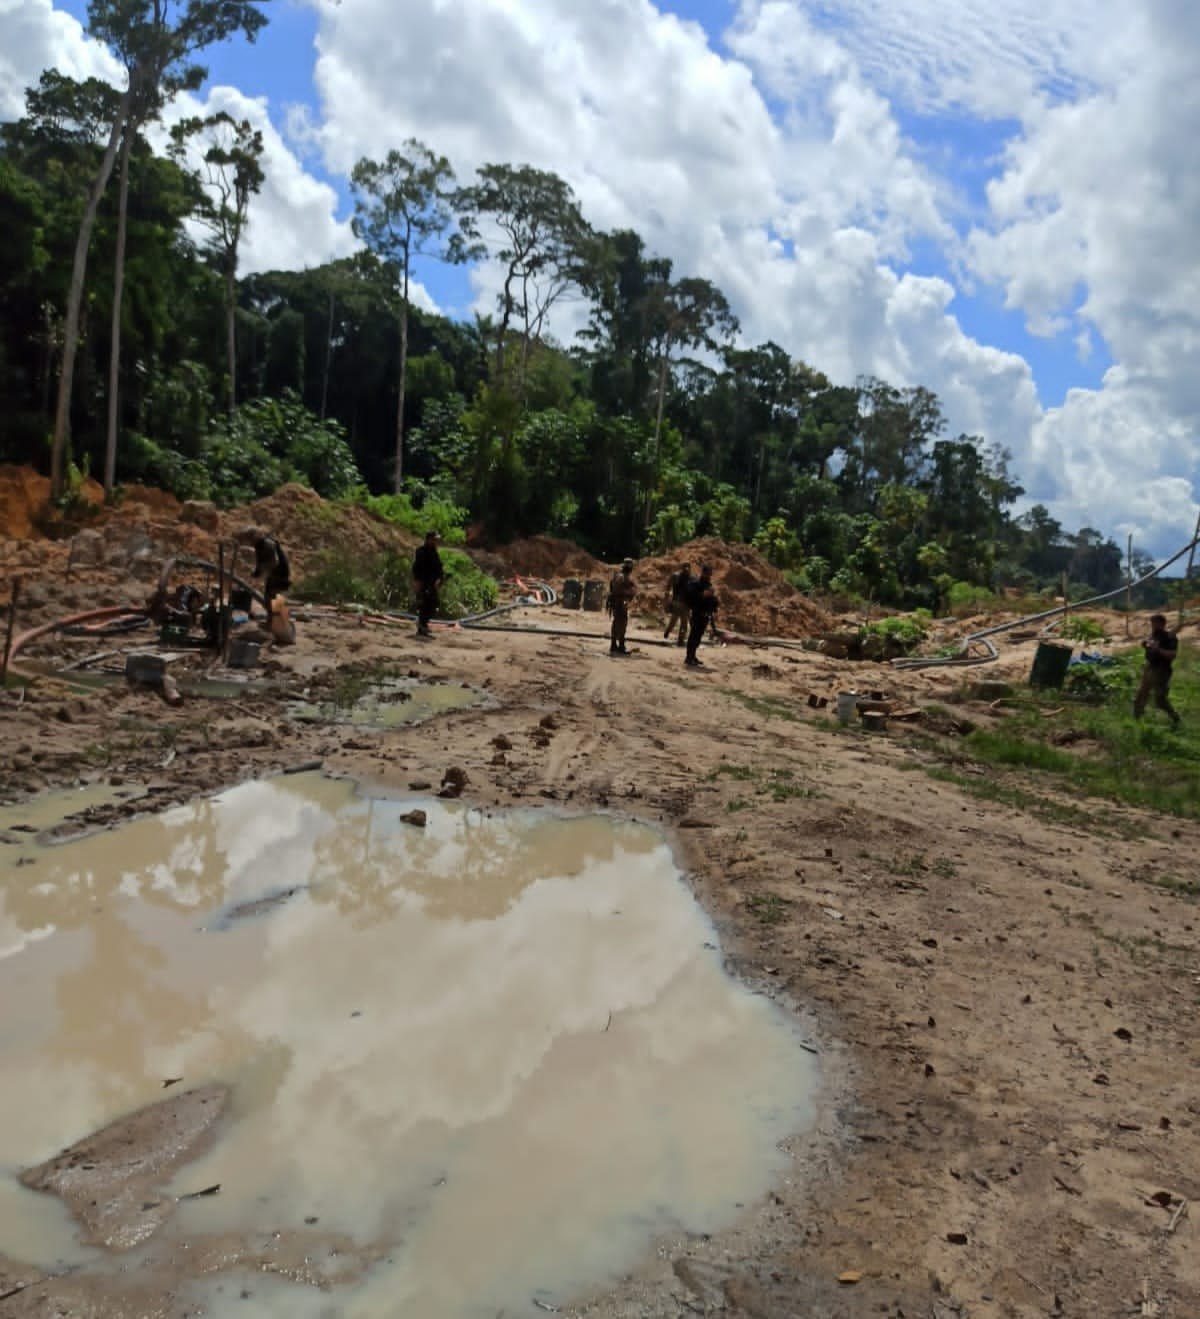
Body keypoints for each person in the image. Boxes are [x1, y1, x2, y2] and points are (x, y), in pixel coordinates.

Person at [1134, 613, 1181, 728]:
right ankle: (1136, 720)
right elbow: (1149, 645)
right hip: (1150, 668)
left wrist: (1158, 649)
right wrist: (1146, 645)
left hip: (1162, 671)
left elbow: (1172, 655)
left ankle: (1176, 718)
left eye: (1154, 623)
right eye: (1152, 623)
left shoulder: (1170, 637)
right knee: (1141, 696)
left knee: (1160, 700)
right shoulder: (1154, 635)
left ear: (1162, 624)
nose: (1152, 626)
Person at [684, 564, 718, 668]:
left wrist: (714, 604)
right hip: (697, 613)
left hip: (705, 614)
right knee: (693, 636)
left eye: (710, 573)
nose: (709, 575)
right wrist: (703, 595)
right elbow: (691, 597)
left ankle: (693, 656)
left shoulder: (707, 584)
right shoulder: (695, 583)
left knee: (698, 637)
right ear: (703, 572)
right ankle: (689, 657)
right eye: (708, 573)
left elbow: (711, 600)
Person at [412, 531, 444, 637]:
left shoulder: (434, 551)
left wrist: (440, 578)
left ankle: (423, 625)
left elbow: (438, 567)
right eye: (434, 539)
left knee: (434, 603)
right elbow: (417, 568)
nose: (436, 541)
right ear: (429, 539)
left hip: (432, 582)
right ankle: (422, 627)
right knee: (425, 604)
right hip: (424, 582)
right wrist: (418, 582)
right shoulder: (421, 551)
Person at [608, 558, 636, 655]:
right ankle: (620, 645)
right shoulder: (622, 577)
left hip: (618, 602)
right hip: (620, 602)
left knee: (617, 623)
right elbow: (618, 590)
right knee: (621, 624)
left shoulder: (618, 576)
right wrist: (630, 592)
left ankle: (615, 645)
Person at [664, 562, 694, 645]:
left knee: (674, 619)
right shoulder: (689, 578)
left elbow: (668, 586)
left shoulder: (676, 576)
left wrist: (667, 600)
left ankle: (668, 631)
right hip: (683, 603)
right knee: (683, 623)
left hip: (677, 602)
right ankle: (680, 640)